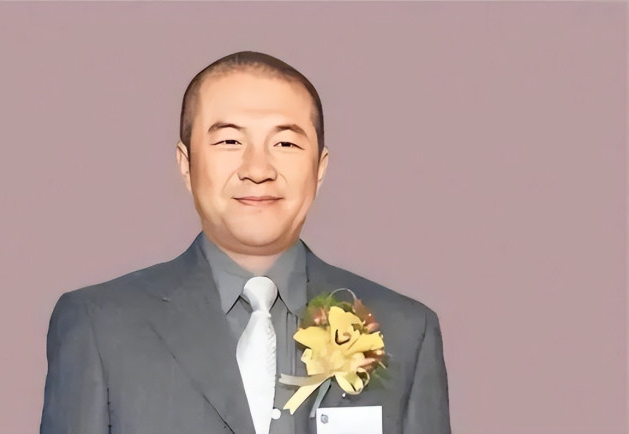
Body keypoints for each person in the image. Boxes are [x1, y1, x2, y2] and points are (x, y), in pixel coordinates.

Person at [40, 51, 450, 434]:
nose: (257, 169)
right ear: (186, 164)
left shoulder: (404, 331)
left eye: (285, 143)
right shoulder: (100, 326)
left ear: (320, 168)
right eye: (229, 141)